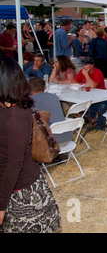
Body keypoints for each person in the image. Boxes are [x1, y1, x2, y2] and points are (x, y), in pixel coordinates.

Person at [0, 55, 61, 233]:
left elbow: (14, 163)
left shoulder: (15, 116)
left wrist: (1, 205)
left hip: (22, 195)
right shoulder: (7, 109)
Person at [29, 77, 72, 144]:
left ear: (29, 89)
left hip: (50, 141)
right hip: (67, 136)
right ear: (44, 87)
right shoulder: (54, 97)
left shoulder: (30, 101)